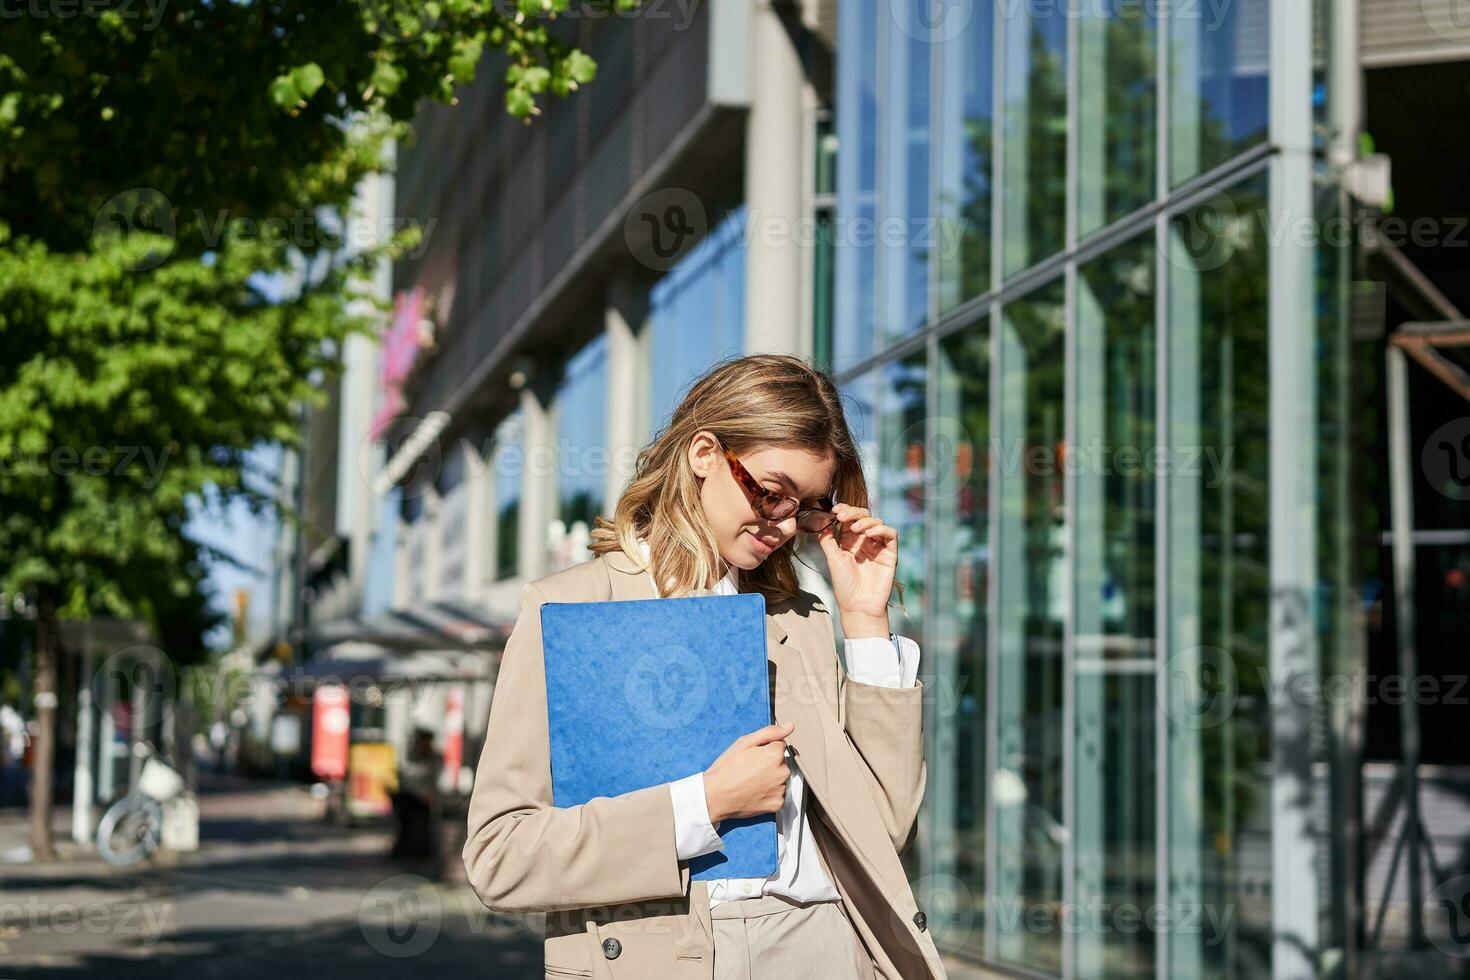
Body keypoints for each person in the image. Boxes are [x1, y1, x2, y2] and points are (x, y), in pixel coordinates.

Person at [463, 354, 945, 979]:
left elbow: (882, 829)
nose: (782, 522)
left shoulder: (798, 623)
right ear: (703, 454)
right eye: (771, 492)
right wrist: (703, 804)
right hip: (661, 958)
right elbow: (502, 857)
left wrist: (865, 622)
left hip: (822, 946)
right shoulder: (573, 610)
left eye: (804, 507)